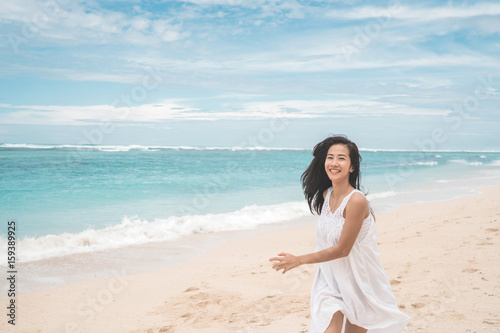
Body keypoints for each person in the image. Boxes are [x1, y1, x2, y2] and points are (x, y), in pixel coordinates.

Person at [269, 135, 410, 333]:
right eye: (330, 157)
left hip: (360, 282)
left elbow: (343, 249)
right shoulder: (327, 195)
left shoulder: (356, 201)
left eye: (342, 158)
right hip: (331, 279)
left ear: (352, 167)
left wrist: (299, 260)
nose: (334, 163)